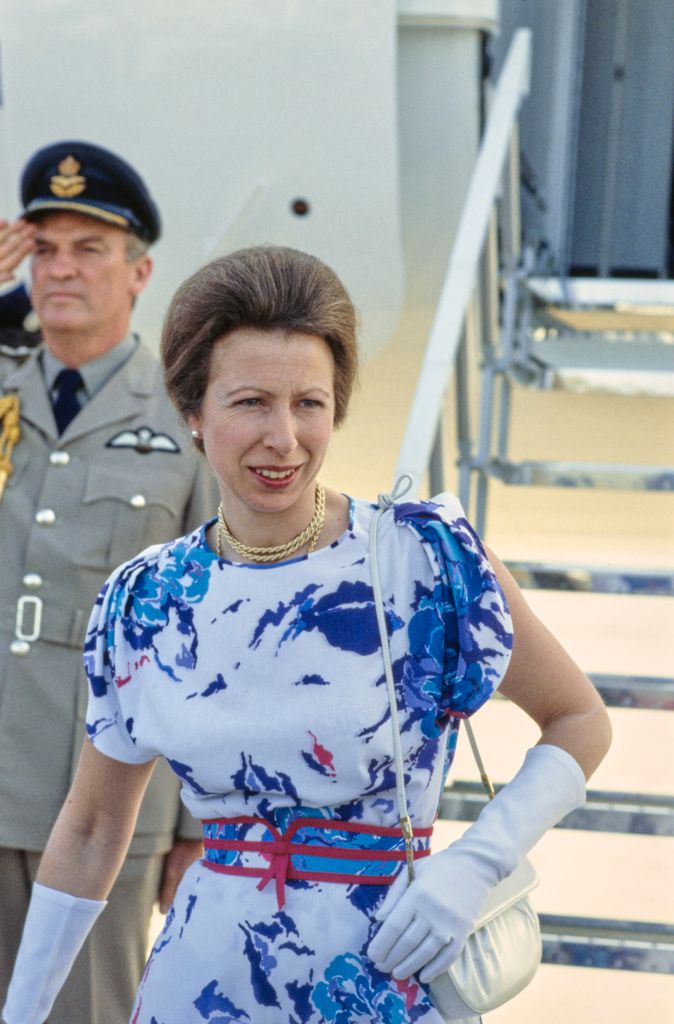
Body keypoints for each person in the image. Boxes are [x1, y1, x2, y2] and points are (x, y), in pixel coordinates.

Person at [3, 245, 611, 1024]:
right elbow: (90, 832)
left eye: (310, 404)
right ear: (193, 411)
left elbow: (581, 721)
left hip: (385, 976)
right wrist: (22, 1013)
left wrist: (477, 863)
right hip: (201, 982)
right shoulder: (145, 600)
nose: (284, 439)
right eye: (251, 402)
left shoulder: (425, 558)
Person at [0, 141, 218, 1024]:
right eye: (43, 248)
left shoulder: (191, 418)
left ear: (139, 273)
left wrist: (200, 827)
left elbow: (218, 632)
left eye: (89, 249)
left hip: (101, 817)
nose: (60, 269)